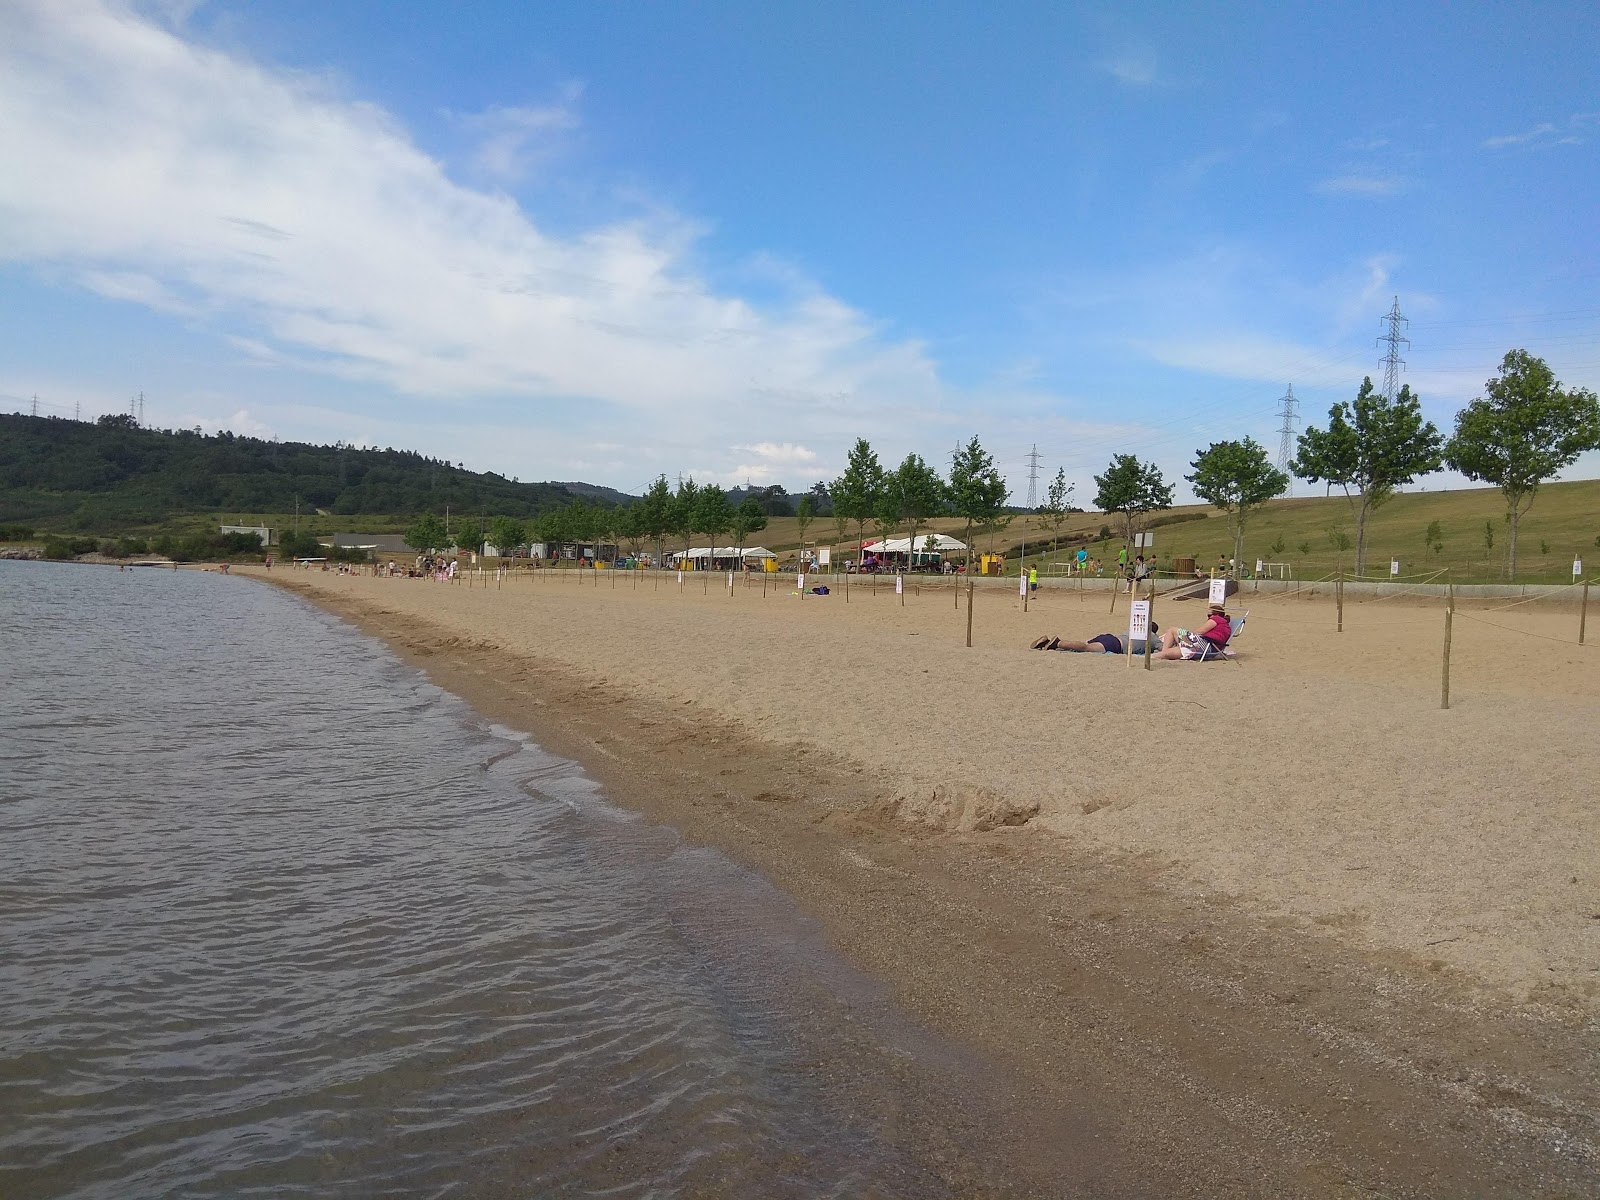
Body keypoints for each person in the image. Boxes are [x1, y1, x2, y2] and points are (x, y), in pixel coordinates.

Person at [1152, 604, 1233, 660]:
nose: (1208, 618)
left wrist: (1189, 635)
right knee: (1168, 653)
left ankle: (1161, 652)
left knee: (1172, 630)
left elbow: (1199, 631)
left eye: (1209, 615)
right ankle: (1161, 653)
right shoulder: (1225, 625)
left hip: (1203, 645)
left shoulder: (1217, 619)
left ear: (1217, 615)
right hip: (1209, 649)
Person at [1030, 623, 1159, 655]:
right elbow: (1164, 648)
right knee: (1086, 648)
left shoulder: (1135, 630)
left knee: (1083, 646)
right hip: (1115, 645)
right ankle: (1058, 642)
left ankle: (1048, 645)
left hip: (1110, 637)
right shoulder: (1153, 637)